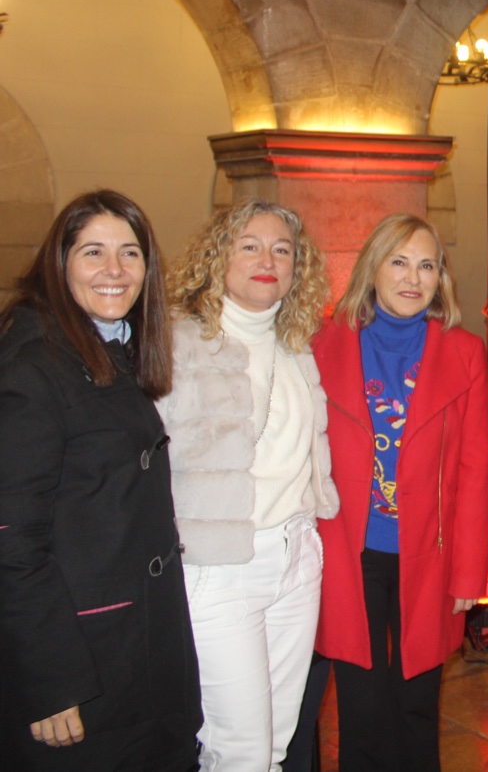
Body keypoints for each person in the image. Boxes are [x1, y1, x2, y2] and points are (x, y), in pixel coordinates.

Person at [0, 190, 201, 769]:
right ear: (58, 264)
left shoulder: (112, 349)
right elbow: (12, 541)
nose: (114, 271)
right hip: (84, 663)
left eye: (130, 253)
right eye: (93, 252)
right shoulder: (33, 369)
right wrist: (52, 681)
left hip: (132, 643)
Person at [160, 199, 340, 772]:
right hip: (221, 568)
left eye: (282, 250)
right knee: (236, 748)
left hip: (297, 558)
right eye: (251, 246)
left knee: (277, 744)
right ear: (219, 257)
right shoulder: (178, 344)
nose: (269, 260)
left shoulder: (295, 343)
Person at [311, 214, 488, 772]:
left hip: (428, 557)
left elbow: (474, 470)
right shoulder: (322, 343)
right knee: (361, 711)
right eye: (399, 261)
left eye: (427, 265)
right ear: (372, 267)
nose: (413, 278)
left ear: (441, 278)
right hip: (347, 555)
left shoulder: (463, 353)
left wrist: (469, 574)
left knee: (417, 709)